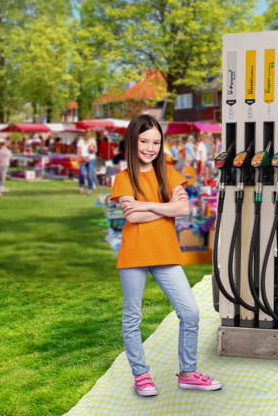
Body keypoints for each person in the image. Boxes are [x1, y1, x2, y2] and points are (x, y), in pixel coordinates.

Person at [110, 114, 222, 397]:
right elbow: (132, 216)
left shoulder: (169, 174)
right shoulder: (123, 178)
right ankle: (141, 375)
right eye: (144, 141)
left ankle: (187, 373)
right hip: (134, 253)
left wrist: (146, 205)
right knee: (132, 316)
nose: (150, 147)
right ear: (132, 142)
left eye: (156, 142)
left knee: (190, 312)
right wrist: (164, 205)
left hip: (165, 253)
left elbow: (182, 210)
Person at [77, 129, 97, 195]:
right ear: (85, 134)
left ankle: (89, 189)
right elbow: (78, 151)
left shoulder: (92, 141)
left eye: (90, 133)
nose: (88, 134)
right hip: (82, 159)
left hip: (91, 159)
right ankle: (82, 187)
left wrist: (92, 149)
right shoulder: (80, 141)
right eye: (87, 133)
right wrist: (78, 159)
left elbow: (95, 150)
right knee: (82, 174)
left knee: (89, 175)